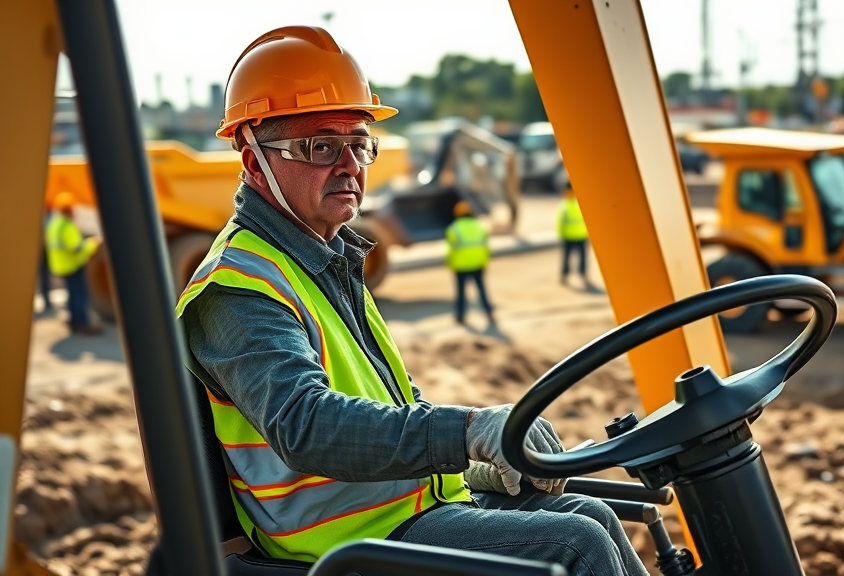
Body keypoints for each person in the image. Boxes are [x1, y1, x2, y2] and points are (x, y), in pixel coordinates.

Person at [175, 26, 646, 576]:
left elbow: (393, 403)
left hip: (400, 510)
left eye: (359, 143)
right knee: (576, 546)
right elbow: (305, 426)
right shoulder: (239, 285)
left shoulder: (324, 259)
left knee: (592, 514)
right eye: (321, 146)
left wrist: (474, 468)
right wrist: (466, 431)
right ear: (254, 161)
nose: (350, 165)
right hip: (347, 540)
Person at [45, 192, 101, 335]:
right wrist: (93, 243)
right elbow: (76, 248)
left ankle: (74, 322)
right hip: (73, 265)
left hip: (61, 265)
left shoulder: (54, 223)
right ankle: (82, 324)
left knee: (71, 294)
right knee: (79, 295)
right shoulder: (67, 225)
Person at [445, 200, 496, 326]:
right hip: (478, 264)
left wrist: (449, 263)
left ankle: (460, 316)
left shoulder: (453, 229)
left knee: (461, 292)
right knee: (482, 290)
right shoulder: (480, 227)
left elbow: (450, 251)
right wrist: (485, 262)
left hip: (460, 266)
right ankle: (489, 313)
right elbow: (486, 248)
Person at [557, 182, 591, 286]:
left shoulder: (578, 204)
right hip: (569, 237)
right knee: (567, 258)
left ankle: (582, 274)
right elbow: (559, 222)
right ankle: (564, 275)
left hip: (580, 236)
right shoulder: (564, 206)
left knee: (582, 258)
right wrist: (561, 234)